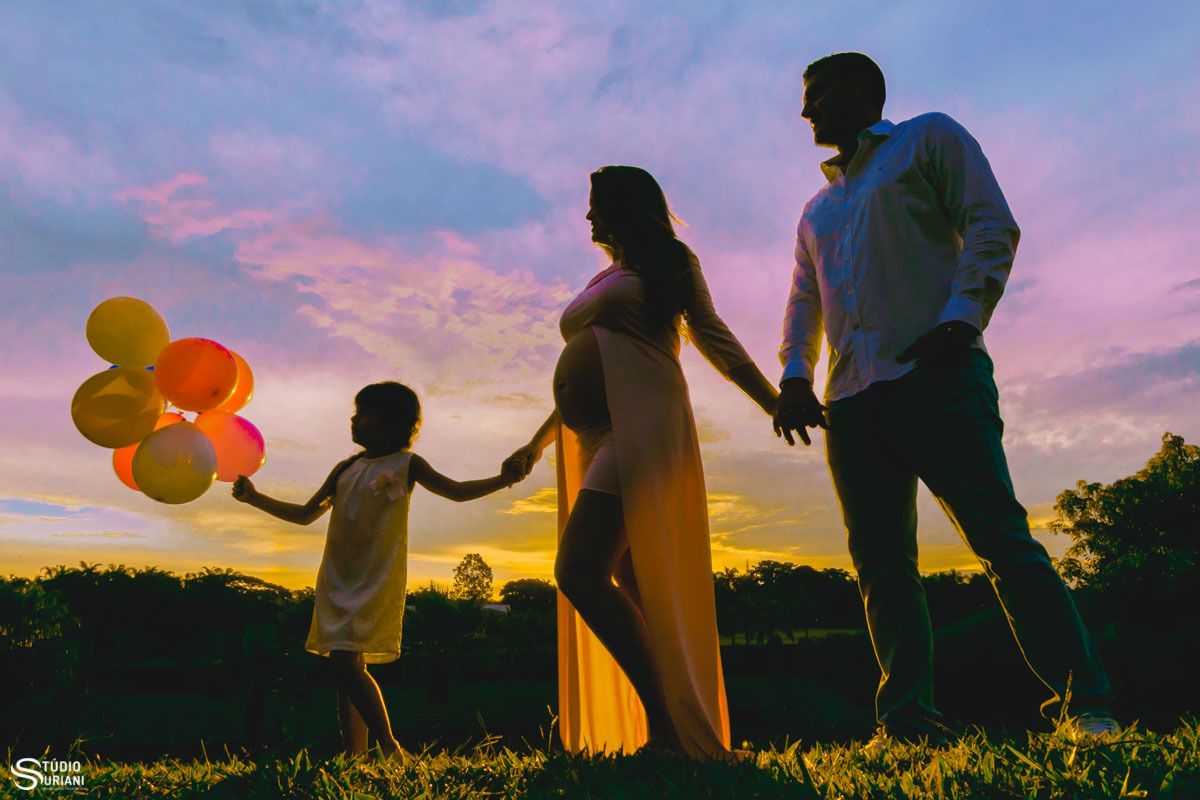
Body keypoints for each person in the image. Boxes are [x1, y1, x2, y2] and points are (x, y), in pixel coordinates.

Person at [772, 52, 1118, 750]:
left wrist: (962, 318)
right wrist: (793, 376)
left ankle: (1086, 706)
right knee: (880, 564)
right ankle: (908, 721)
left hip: (939, 376)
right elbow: (805, 298)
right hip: (853, 401)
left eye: (818, 94)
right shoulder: (817, 208)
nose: (806, 110)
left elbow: (991, 222)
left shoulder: (928, 138)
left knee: (999, 541)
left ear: (864, 90)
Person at [505, 166, 779, 759]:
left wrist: (773, 402)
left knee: (578, 572)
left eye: (596, 204)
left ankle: (669, 730)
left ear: (630, 206)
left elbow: (711, 334)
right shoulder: (606, 276)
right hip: (593, 437)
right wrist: (537, 443)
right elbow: (588, 365)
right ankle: (672, 732)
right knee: (637, 585)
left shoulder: (670, 260)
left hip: (640, 431)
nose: (587, 217)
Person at [232, 381, 526, 758]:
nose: (354, 420)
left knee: (344, 663)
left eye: (364, 413)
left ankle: (390, 747)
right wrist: (254, 498)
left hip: (375, 577)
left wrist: (503, 480)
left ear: (392, 421)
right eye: (355, 413)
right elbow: (306, 515)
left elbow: (455, 491)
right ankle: (356, 756)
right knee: (347, 668)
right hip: (338, 576)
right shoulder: (347, 467)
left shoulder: (407, 464)